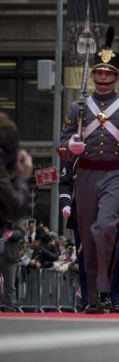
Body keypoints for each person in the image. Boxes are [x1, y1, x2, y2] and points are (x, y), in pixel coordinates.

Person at [58, 27, 119, 314]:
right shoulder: (77, 108)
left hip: (116, 173)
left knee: (105, 228)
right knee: (88, 240)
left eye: (108, 74)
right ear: (93, 75)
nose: (103, 78)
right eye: (99, 73)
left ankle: (105, 288)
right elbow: (61, 147)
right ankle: (94, 296)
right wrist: (71, 146)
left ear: (117, 77)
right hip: (86, 175)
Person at [0, 112, 32, 310]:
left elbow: (20, 228)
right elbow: (15, 207)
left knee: (9, 287)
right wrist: (22, 177)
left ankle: (8, 307)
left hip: (9, 254)